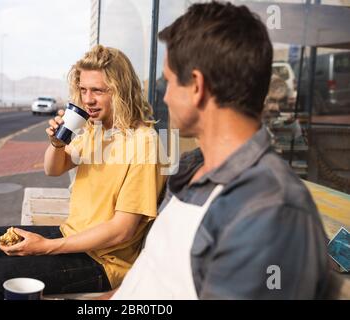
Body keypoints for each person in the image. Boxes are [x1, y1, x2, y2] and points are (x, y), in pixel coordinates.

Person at [109, 2, 329, 299]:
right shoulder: (194, 169)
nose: (166, 95)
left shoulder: (269, 212)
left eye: (169, 81)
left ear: (197, 86)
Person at [0, 45, 165, 299]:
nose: (87, 100)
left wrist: (46, 247)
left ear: (121, 91)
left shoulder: (143, 142)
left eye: (97, 90)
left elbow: (122, 230)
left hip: (104, 261)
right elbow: (53, 169)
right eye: (83, 90)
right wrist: (57, 143)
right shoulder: (97, 130)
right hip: (73, 235)